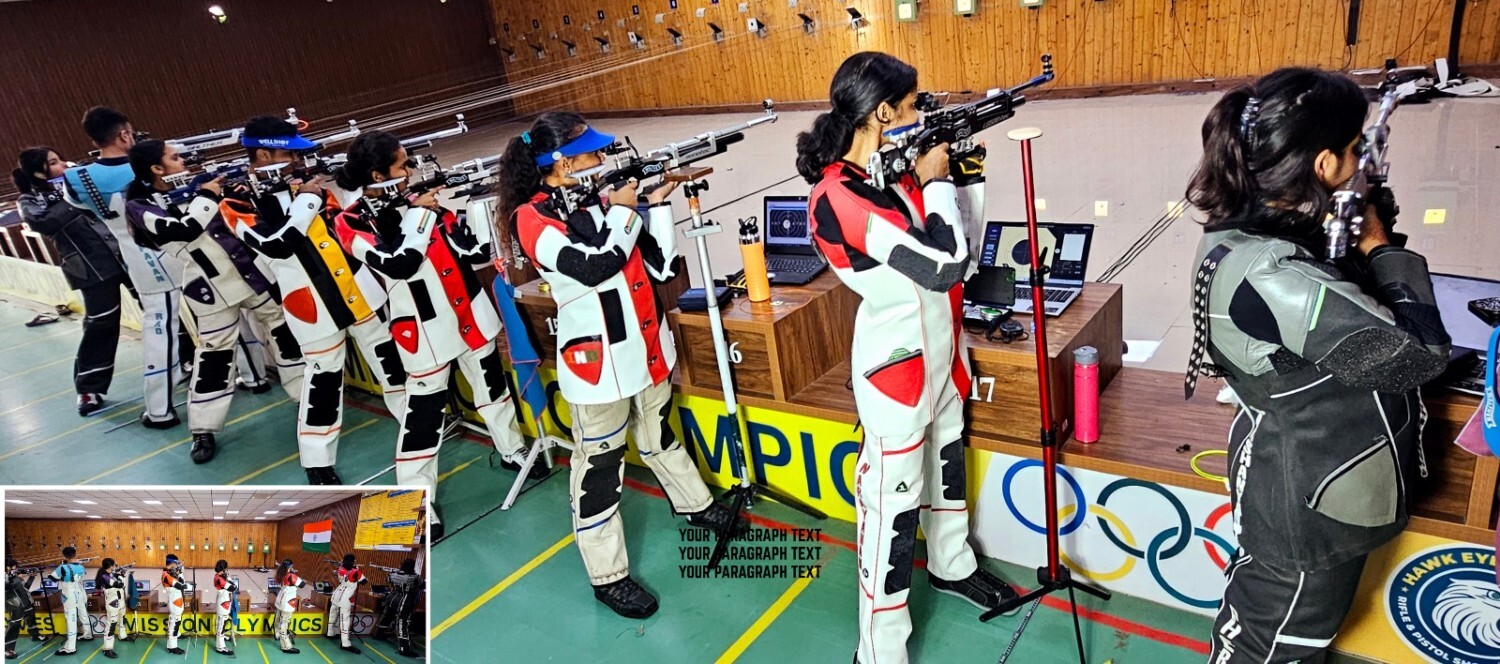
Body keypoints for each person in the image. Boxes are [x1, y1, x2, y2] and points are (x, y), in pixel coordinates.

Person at [1182, 67, 1452, 663]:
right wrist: (1378, 245)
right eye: (1354, 150)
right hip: (1307, 504)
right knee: (1271, 647)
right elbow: (1418, 356)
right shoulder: (1273, 271)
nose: (1360, 161)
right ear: (1324, 164)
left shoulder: (1255, 229)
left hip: (1312, 480)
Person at [795, 52, 1020, 663]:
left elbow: (963, 247)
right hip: (896, 372)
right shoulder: (839, 196)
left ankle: (951, 564)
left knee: (947, 474)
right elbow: (942, 265)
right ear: (883, 112)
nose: (921, 111)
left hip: (943, 356)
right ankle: (879, 650)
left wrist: (962, 173)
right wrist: (937, 180)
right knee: (891, 515)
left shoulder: (889, 172)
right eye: (915, 103)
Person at [500, 113, 745, 619]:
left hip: (645, 349)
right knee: (599, 470)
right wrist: (627, 211)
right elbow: (594, 266)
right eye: (589, 152)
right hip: (598, 366)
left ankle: (695, 504)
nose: (600, 158)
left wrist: (657, 205)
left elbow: (661, 267)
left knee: (660, 436)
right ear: (561, 162)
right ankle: (607, 576)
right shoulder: (531, 218)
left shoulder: (596, 204)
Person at [331, 130, 538, 538]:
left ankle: (511, 448)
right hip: (424, 331)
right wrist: (421, 214)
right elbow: (399, 263)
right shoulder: (350, 221)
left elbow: (472, 253)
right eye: (402, 165)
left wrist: (474, 217)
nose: (410, 172)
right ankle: (415, 502)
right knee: (422, 419)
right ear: (377, 174)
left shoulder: (423, 206)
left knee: (492, 389)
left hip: (470, 315)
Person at [219, 116, 408, 484]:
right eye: (289, 154)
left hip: (358, 293)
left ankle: (416, 426)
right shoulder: (236, 201)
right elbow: (276, 244)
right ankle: (316, 460)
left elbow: (342, 226)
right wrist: (307, 199)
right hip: (311, 306)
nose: (298, 161)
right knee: (323, 384)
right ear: (263, 154)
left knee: (391, 367)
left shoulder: (305, 186)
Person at [125, 139, 306, 463]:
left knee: (285, 336)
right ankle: (203, 429)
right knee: (214, 358)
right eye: (174, 158)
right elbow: (183, 229)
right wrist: (208, 195)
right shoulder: (140, 205)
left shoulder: (194, 188)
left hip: (251, 273)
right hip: (209, 287)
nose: (182, 162)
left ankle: (306, 399)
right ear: (156, 168)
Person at [61, 107, 186, 426]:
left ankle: (159, 408)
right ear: (124, 134)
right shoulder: (150, 163)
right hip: (183, 245)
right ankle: (249, 376)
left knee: (160, 330)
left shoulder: (76, 179)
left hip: (140, 259)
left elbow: (79, 207)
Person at [15, 148, 130, 415]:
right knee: (101, 324)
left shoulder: (79, 180)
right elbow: (42, 222)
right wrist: (72, 196)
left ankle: (184, 358)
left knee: (160, 306)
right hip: (91, 267)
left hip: (125, 253)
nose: (63, 164)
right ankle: (89, 388)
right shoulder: (29, 200)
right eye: (54, 163)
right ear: (38, 172)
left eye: (59, 159)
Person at [46, 547, 91, 656]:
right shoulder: (80, 566)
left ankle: (70, 648)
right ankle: (88, 635)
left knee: (71, 619)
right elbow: (78, 575)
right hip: (79, 592)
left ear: (64, 556)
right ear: (75, 554)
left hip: (69, 594)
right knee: (83, 614)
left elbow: (52, 578)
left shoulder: (62, 567)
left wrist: (59, 572)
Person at [376, 559, 421, 658]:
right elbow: (422, 585)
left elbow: (388, 579)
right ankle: (404, 649)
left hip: (392, 599)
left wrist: (397, 573)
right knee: (402, 623)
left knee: (386, 617)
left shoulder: (393, 575)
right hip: (404, 601)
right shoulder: (415, 577)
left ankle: (378, 635)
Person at [325, 554, 366, 654]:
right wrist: (357, 569)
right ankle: (345, 643)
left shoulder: (340, 569)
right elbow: (364, 581)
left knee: (333, 615)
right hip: (345, 598)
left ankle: (330, 633)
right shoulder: (356, 572)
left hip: (336, 594)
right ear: (353, 561)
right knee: (345, 620)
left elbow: (343, 574)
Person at [94, 559, 134, 659]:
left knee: (122, 619)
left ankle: (122, 635)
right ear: (111, 566)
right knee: (111, 625)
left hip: (120, 600)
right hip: (112, 602)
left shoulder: (110, 574)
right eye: (114, 565)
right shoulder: (104, 576)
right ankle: (107, 648)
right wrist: (121, 576)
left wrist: (119, 574)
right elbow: (120, 584)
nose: (115, 567)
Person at [4, 558, 42, 660]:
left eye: (16, 568)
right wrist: (17, 577)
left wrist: (31, 577)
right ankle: (7, 649)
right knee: (14, 625)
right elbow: (9, 586)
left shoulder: (14, 576)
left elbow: (26, 587)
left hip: (25, 601)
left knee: (31, 617)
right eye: (13, 568)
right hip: (14, 604)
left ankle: (35, 635)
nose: (15, 570)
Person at [272, 560, 304, 654]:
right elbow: (302, 584)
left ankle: (277, 635)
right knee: (284, 624)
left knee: (278, 620)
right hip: (287, 603)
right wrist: (294, 574)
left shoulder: (281, 574)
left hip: (280, 600)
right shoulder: (291, 576)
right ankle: (286, 646)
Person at [159, 555, 188, 655]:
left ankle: (175, 639)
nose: (176, 565)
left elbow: (181, 582)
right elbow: (181, 585)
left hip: (177, 600)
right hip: (174, 601)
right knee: (174, 625)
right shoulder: (166, 575)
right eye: (176, 563)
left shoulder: (170, 573)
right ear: (172, 563)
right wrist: (180, 574)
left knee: (176, 623)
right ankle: (172, 647)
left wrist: (179, 573)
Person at [211, 560, 236, 656]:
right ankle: (220, 647)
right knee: (221, 626)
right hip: (223, 604)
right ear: (224, 568)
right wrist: (228, 578)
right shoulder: (219, 579)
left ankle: (220, 643)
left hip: (224, 602)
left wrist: (226, 577)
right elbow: (233, 587)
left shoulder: (219, 577)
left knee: (221, 625)